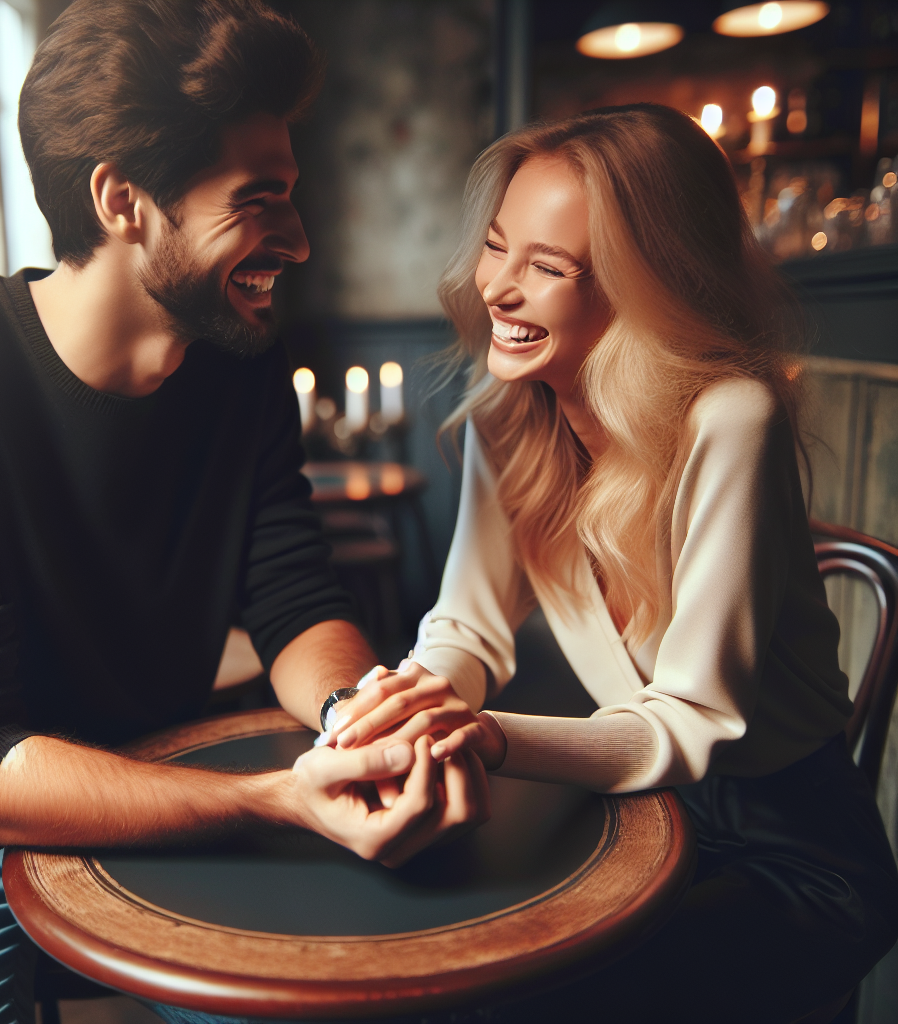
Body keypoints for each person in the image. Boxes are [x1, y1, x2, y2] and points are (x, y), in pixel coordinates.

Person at [0, 3, 487, 1022]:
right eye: (259, 199)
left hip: (170, 782)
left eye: (291, 195)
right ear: (123, 200)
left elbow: (294, 602)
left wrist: (354, 722)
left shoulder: (238, 379)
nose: (296, 237)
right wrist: (269, 798)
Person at [323, 105, 898, 1023]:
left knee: (514, 993)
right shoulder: (505, 415)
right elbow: (467, 626)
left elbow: (697, 719)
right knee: (421, 954)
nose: (498, 291)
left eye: (547, 268)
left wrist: (494, 736)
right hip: (642, 820)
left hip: (790, 854)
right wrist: (415, 704)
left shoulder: (730, 418)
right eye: (498, 248)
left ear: (646, 285)